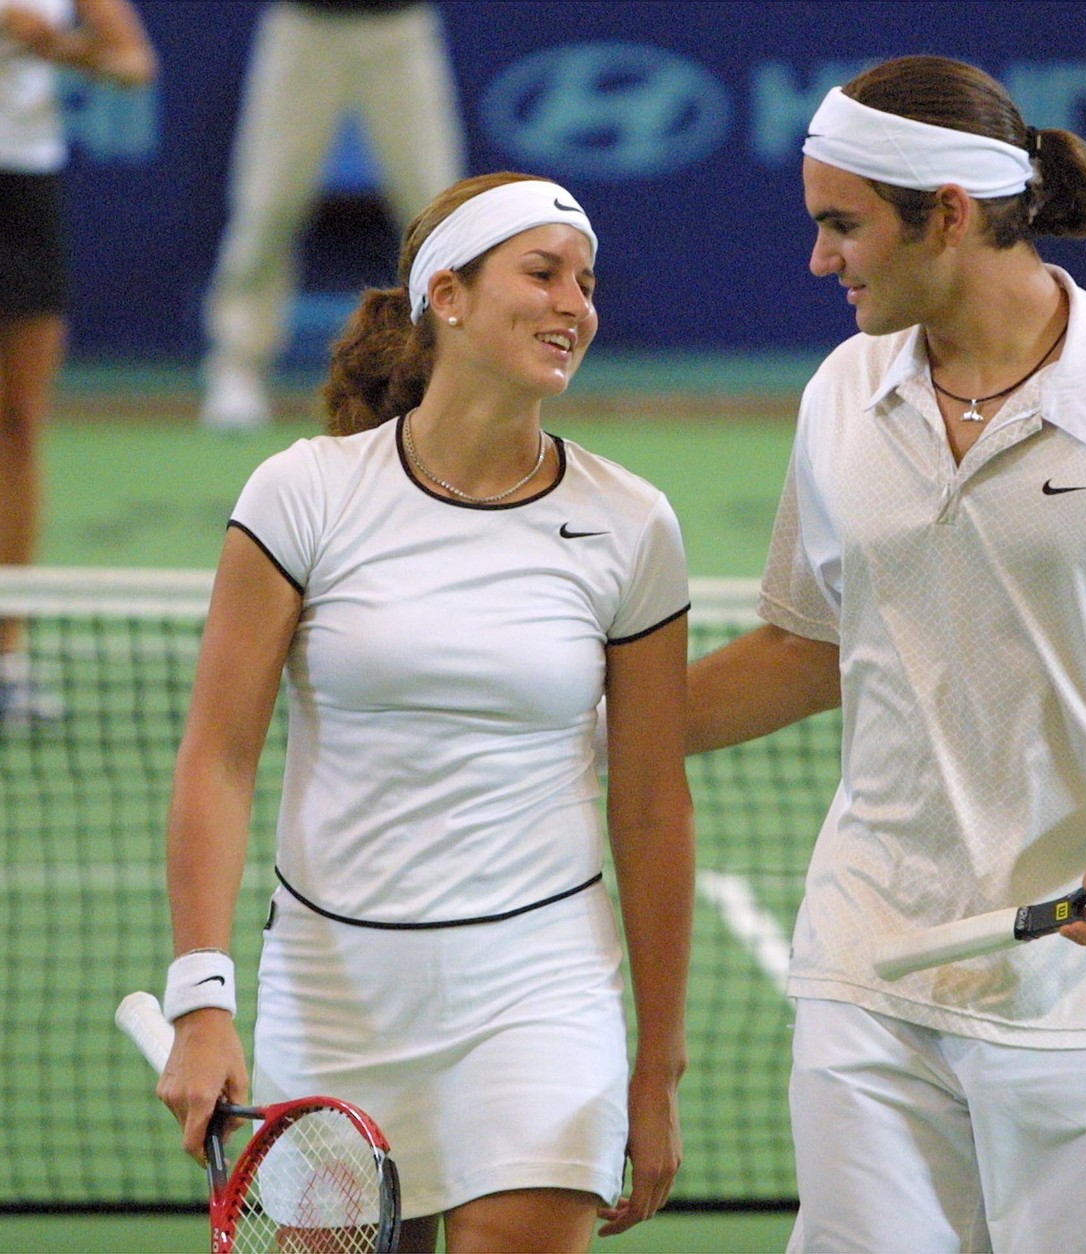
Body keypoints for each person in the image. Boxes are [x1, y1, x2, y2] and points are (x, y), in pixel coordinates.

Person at [686, 56, 1086, 1253]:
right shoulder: (842, 392)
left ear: (945, 211)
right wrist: (580, 721)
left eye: (844, 225)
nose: (820, 260)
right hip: (872, 956)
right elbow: (805, 644)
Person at [156, 171, 694, 1252]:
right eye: (540, 274)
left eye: (584, 282)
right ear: (445, 295)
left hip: (539, 989)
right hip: (334, 988)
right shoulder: (300, 495)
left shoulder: (632, 526)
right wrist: (201, 1000)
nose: (573, 304)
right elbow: (217, 759)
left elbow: (648, 802)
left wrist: (656, 1067)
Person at [199, 0, 463, 431]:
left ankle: (462, 372)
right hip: (303, 27)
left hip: (400, 26)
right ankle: (237, 367)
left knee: (439, 214)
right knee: (268, 207)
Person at [0, 0, 155, 723]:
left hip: (23, 192)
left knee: (17, 428)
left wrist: (52, 44)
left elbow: (133, 63)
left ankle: (7, 658)